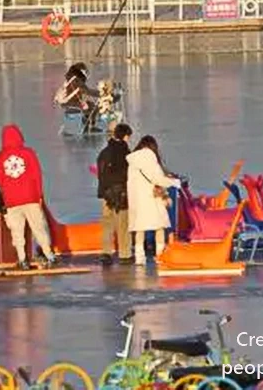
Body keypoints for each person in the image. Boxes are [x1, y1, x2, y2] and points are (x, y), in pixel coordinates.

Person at [0, 124, 57, 270]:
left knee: (17, 231)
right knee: (38, 228)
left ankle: (22, 260)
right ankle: (49, 256)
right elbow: (37, 175)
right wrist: (39, 195)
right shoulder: (29, 153)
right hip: (30, 198)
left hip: (11, 201)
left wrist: (8, 192)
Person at [126, 135, 181, 265]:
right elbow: (157, 178)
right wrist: (173, 182)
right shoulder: (150, 157)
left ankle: (139, 257)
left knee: (140, 228)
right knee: (159, 227)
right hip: (151, 198)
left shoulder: (132, 160)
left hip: (136, 199)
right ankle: (160, 255)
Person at [97, 123, 133, 266]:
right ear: (125, 136)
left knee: (107, 224)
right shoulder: (125, 153)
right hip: (121, 194)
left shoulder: (103, 152)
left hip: (106, 194)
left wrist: (104, 191)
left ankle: (106, 252)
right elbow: (127, 174)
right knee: (123, 224)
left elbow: (101, 173)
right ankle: (125, 254)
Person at [56, 62, 100, 131]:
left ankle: (86, 122)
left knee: (88, 104)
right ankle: (90, 126)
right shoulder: (77, 80)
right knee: (94, 107)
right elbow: (87, 91)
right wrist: (101, 94)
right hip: (72, 103)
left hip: (66, 104)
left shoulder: (69, 79)